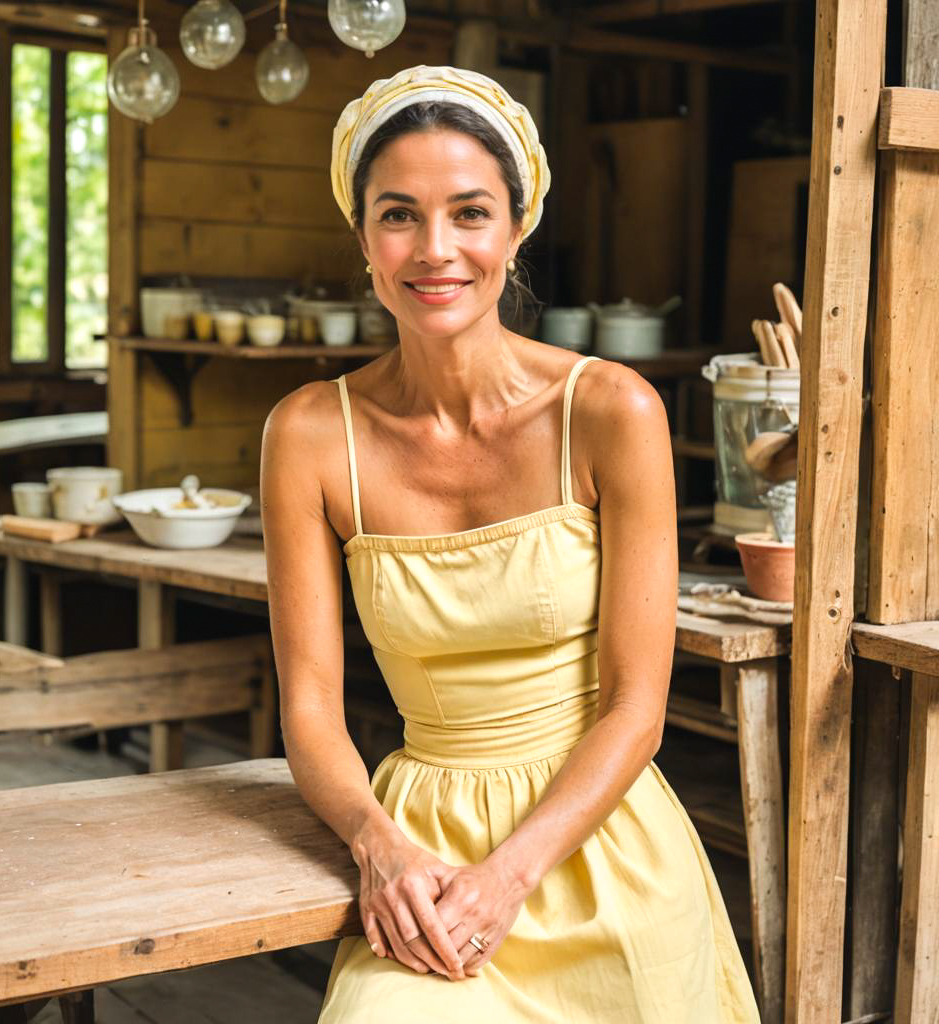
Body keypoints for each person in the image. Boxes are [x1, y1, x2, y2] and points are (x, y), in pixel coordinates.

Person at [260, 65, 760, 1023]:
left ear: (518, 229)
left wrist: (509, 877)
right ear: (362, 235)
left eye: (470, 213)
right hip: (420, 853)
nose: (435, 250)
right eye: (398, 214)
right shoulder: (310, 434)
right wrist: (379, 844)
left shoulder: (612, 411)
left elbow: (636, 709)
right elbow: (312, 707)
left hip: (594, 840)